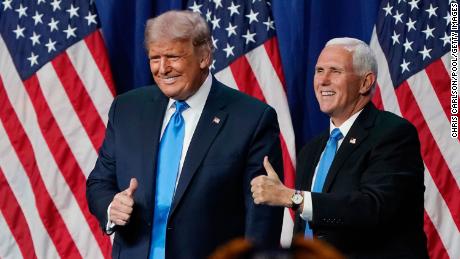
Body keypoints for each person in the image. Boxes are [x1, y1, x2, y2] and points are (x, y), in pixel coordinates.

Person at [86, 10, 284, 259]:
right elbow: (99, 183)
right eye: (154, 58)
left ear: (204, 56)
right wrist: (112, 206)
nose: (162, 69)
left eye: (172, 57)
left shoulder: (251, 119)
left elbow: (261, 219)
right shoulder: (126, 109)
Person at [251, 37, 429, 258]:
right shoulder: (312, 150)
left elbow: (372, 209)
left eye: (335, 71)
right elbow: (306, 228)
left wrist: (292, 198)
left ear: (365, 82)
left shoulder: (393, 134)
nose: (323, 80)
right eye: (319, 70)